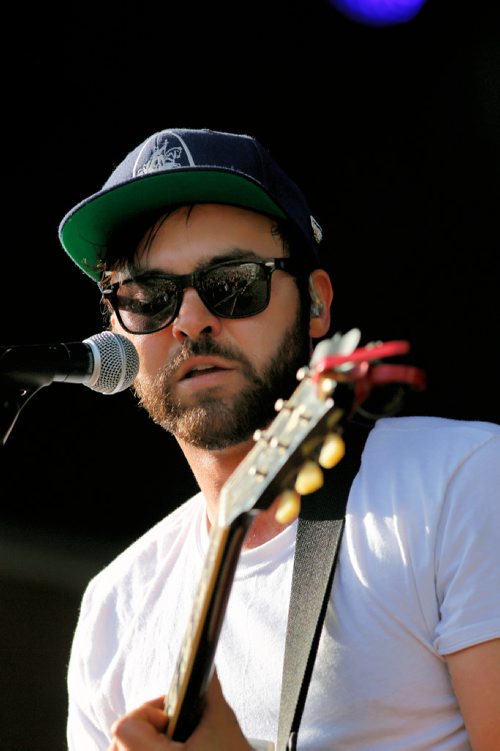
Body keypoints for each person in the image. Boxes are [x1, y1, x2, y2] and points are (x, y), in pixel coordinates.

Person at [58, 127, 500, 751]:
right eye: (149, 297)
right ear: (115, 330)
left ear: (316, 304)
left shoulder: (463, 484)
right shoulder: (114, 611)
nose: (189, 321)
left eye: (234, 282)